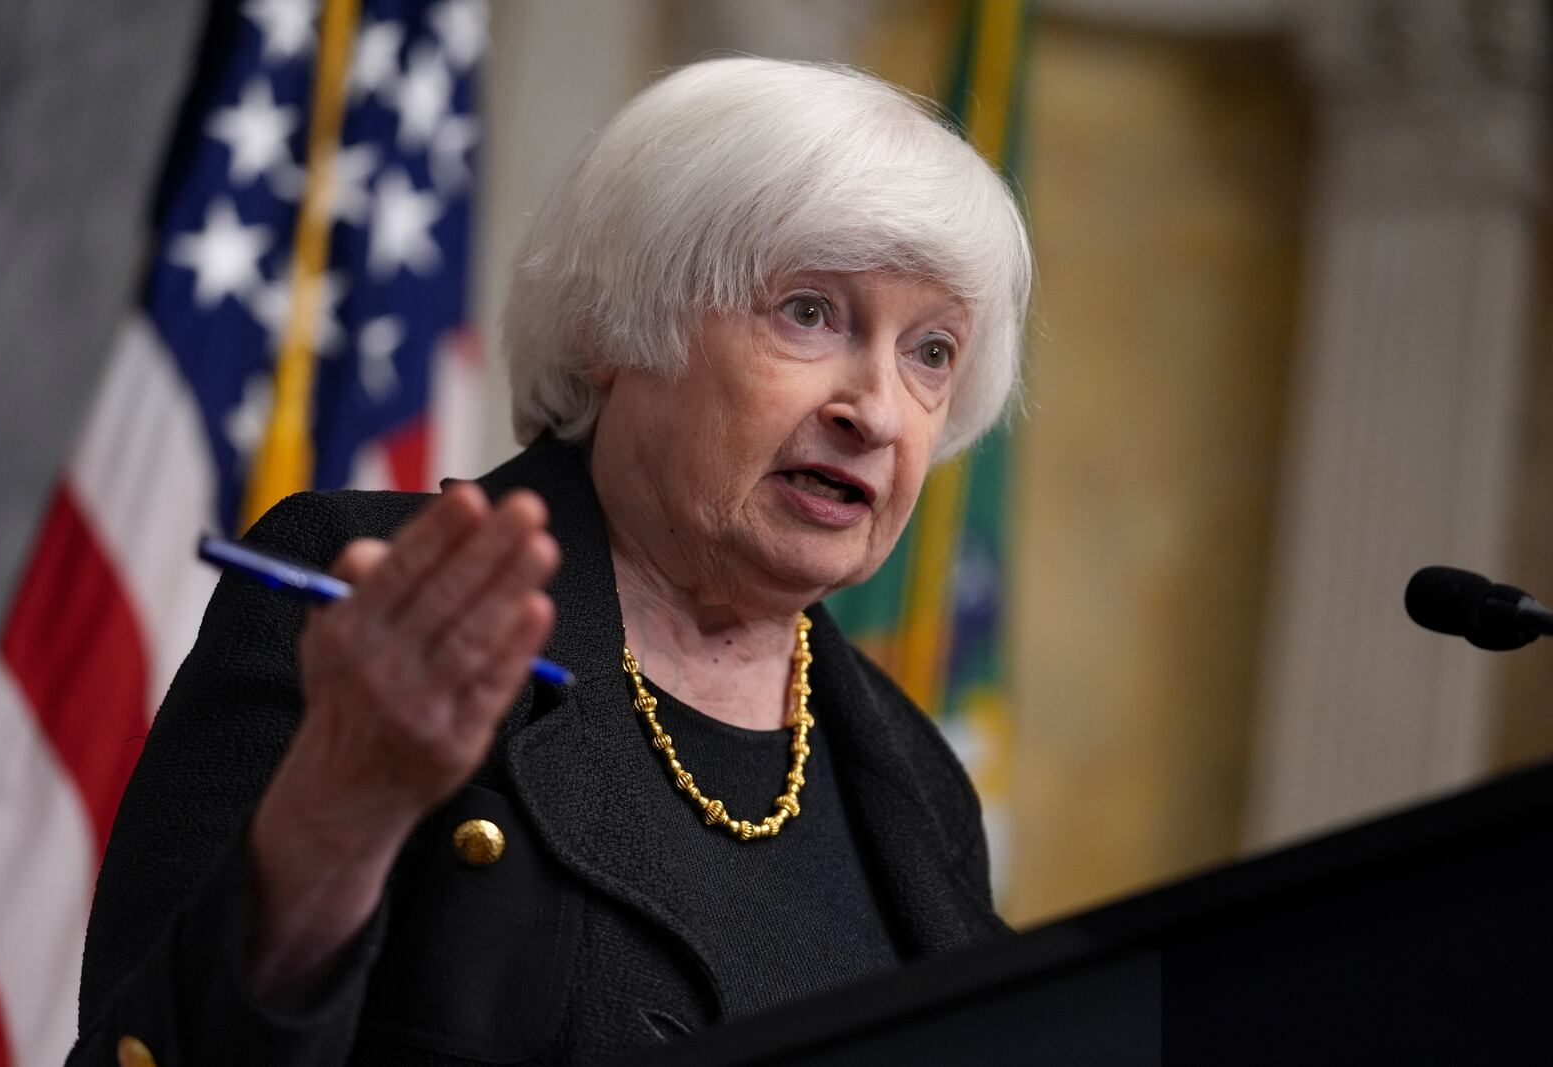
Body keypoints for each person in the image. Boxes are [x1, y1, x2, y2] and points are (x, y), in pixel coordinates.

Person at [69, 56, 1032, 1066]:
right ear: (620, 324)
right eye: (808, 312)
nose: (875, 410)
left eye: (930, 351)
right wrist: (336, 814)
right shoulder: (379, 593)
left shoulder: (918, 783)